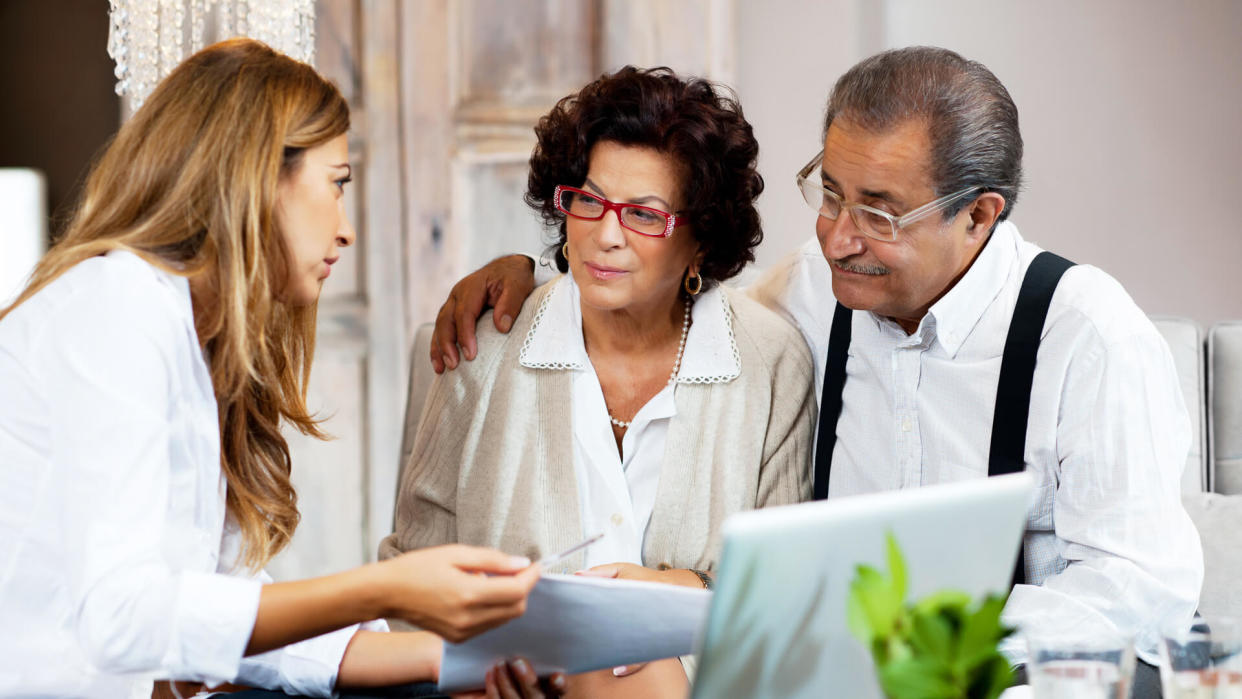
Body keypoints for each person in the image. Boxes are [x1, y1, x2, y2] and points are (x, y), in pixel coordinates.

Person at [428, 47, 1203, 697]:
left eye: (879, 212)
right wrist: (539, 271)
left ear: (979, 215)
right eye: (829, 192)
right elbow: (673, 281)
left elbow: (1138, 590)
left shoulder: (1088, 336)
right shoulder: (812, 292)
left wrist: (915, 642)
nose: (837, 237)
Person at [0, 39, 563, 699]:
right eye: (336, 184)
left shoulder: (196, 340)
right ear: (257, 176)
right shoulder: (116, 303)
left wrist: (460, 663)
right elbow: (123, 619)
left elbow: (231, 615)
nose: (346, 229)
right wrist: (381, 589)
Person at [380, 66, 815, 698]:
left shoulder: (770, 360)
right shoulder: (486, 344)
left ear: (701, 239)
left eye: (644, 214)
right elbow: (411, 568)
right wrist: (474, 674)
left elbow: (782, 587)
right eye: (589, 200)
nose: (605, 235)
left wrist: (667, 596)